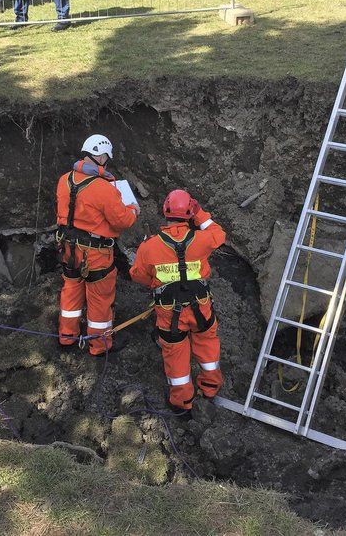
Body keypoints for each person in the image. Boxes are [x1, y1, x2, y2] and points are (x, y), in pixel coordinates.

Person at [130, 190, 225, 415]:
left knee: (175, 354)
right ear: (190, 212)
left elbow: (138, 276)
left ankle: (182, 403)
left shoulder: (149, 247)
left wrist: (156, 279)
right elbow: (219, 234)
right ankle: (210, 387)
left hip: (169, 313)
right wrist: (199, 214)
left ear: (165, 211)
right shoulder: (203, 239)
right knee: (207, 343)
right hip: (200, 307)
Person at [55, 134, 140, 356]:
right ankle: (100, 346)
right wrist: (132, 210)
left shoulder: (64, 180)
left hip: (68, 249)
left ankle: (67, 336)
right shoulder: (103, 188)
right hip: (95, 254)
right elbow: (123, 221)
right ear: (102, 157)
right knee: (100, 300)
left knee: (71, 291)